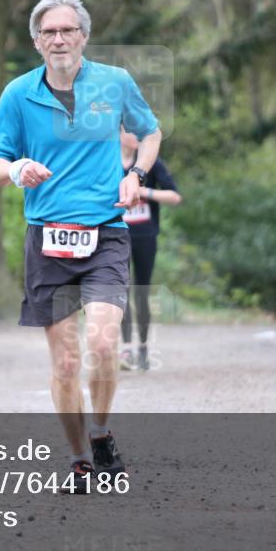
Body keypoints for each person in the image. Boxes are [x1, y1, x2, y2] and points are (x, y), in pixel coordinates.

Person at [0, 0, 162, 492]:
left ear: (83, 35)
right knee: (64, 360)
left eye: (67, 30)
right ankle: (80, 460)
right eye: (49, 32)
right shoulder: (18, 94)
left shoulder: (115, 82)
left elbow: (150, 132)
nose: (58, 39)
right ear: (37, 41)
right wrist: (17, 168)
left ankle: (101, 433)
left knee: (103, 343)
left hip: (106, 232)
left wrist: (135, 173)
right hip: (48, 239)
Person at [118, 127, 181, 372]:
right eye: (129, 131)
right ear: (119, 132)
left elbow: (174, 196)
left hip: (144, 236)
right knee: (119, 292)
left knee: (141, 292)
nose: (136, 136)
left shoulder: (150, 163)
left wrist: (144, 191)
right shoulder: (107, 161)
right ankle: (125, 349)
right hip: (116, 235)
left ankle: (143, 347)